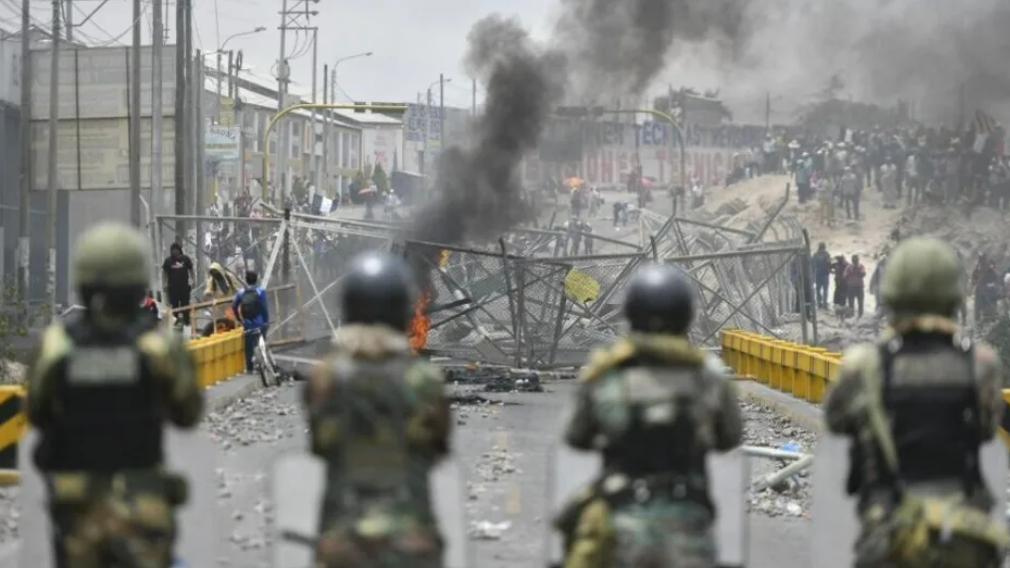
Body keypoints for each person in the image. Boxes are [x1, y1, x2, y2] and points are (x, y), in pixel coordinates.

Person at [24, 222, 204, 567]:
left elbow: (36, 412)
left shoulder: (55, 346)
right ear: (138, 280)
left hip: (76, 512)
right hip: (143, 506)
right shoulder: (158, 347)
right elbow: (188, 413)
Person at [822, 237, 1008, 568]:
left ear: (892, 292)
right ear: (953, 294)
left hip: (890, 534)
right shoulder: (981, 365)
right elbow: (985, 429)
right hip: (961, 533)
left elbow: (836, 422)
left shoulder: (863, 366)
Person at [554, 263, 743, 568]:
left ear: (631, 314)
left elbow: (576, 437)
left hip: (621, 527)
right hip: (689, 530)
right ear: (686, 316)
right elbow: (729, 437)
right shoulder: (707, 375)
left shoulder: (607, 372)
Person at [305, 252, 451, 567]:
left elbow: (320, 446)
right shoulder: (424, 380)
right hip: (411, 544)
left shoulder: (325, 376)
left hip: (343, 544)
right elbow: (437, 449)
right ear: (401, 312)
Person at [232, 270, 269, 373]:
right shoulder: (260, 291)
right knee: (261, 343)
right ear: (256, 279)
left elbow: (234, 306)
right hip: (260, 322)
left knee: (248, 346)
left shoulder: (241, 292)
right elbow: (264, 308)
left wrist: (239, 319)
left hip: (247, 323)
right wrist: (266, 321)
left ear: (246, 280)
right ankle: (264, 365)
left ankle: (249, 368)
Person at [161, 242, 194, 326]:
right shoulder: (168, 260)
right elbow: (164, 273)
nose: (175, 252)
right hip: (172, 289)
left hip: (184, 288)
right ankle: (174, 325)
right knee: (174, 307)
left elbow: (191, 270)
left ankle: (187, 324)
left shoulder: (185, 259)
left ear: (179, 250)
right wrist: (164, 283)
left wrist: (193, 280)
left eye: (176, 250)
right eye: (173, 250)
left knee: (185, 307)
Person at [812, 243, 831, 309]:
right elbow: (829, 263)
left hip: (818, 274)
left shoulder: (815, 255)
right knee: (824, 290)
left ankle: (819, 303)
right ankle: (824, 304)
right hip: (824, 274)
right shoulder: (826, 254)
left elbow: (813, 265)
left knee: (818, 290)